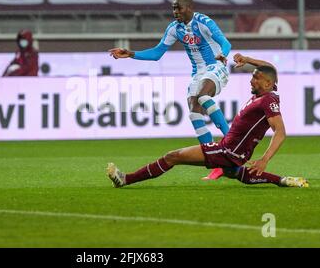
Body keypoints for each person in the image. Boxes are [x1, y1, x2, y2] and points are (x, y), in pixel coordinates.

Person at [106, 53, 309, 188]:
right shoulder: (266, 91)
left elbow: (280, 131)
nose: (251, 79)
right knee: (238, 174)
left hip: (228, 151)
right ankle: (284, 180)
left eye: (256, 78)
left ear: (267, 83)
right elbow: (269, 67)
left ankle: (125, 180)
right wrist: (247, 59)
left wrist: (264, 159)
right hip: (233, 150)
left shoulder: (269, 101)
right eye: (252, 76)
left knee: (172, 156)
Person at [109, 0, 231, 180]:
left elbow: (225, 42)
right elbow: (157, 53)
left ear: (189, 8)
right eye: (173, 9)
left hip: (216, 66)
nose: (175, 12)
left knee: (203, 96)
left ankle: (233, 142)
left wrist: (223, 54)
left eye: (179, 8)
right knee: (194, 110)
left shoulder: (204, 22)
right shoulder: (175, 29)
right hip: (198, 73)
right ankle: (216, 161)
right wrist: (131, 53)